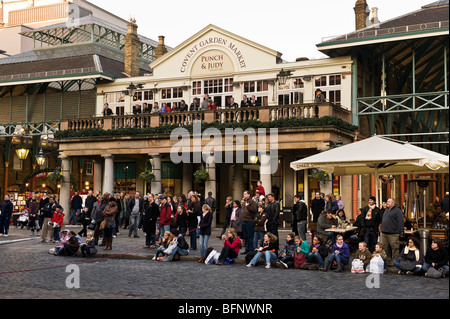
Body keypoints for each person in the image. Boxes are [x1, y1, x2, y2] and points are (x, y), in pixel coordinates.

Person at [379, 198, 404, 264]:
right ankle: (385, 261)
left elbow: (400, 221)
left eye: (389, 202)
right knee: (383, 247)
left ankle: (394, 261)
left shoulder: (397, 211)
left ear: (393, 203)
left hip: (393, 233)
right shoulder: (386, 210)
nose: (387, 203)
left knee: (394, 248)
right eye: (387, 202)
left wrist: (398, 231)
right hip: (384, 232)